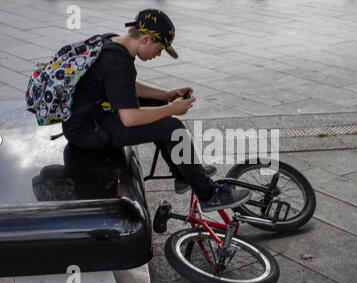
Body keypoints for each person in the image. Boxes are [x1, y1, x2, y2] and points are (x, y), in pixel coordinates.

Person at [61, 9, 250, 212]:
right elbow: (130, 118)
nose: (158, 55)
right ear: (146, 39)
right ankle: (208, 194)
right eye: (159, 49)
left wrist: (165, 96)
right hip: (88, 131)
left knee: (159, 112)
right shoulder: (118, 63)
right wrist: (171, 109)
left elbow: (125, 86)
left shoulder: (113, 41)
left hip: (88, 117)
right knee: (171, 126)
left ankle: (183, 174)